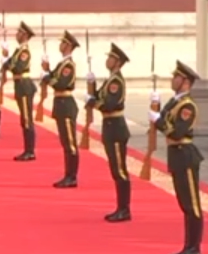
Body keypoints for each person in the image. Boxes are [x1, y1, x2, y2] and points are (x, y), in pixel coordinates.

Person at [156, 60, 204, 254]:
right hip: (176, 155)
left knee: (192, 205)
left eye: (176, 77)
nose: (172, 79)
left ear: (185, 81)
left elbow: (177, 132)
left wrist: (158, 121)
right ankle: (187, 246)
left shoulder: (187, 106)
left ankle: (194, 248)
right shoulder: (175, 101)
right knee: (184, 204)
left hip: (185, 154)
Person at [89, 43, 132, 222]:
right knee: (115, 170)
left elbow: (109, 104)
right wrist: (92, 85)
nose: (108, 60)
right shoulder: (110, 79)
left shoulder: (116, 81)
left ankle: (124, 209)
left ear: (117, 62)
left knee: (120, 170)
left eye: (111, 58)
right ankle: (121, 207)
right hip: (111, 127)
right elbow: (99, 96)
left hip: (115, 128)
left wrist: (94, 103)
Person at [42, 30, 82, 188]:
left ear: (68, 46)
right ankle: (68, 174)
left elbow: (60, 83)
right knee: (65, 143)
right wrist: (47, 69)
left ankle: (72, 176)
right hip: (60, 104)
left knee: (70, 143)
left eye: (63, 42)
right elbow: (55, 77)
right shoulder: (62, 63)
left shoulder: (68, 65)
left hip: (66, 104)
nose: (60, 44)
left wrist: (46, 76)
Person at [7, 22, 37, 161]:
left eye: (19, 32)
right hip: (19, 85)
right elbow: (8, 65)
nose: (16, 34)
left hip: (25, 86)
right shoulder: (19, 50)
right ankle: (27, 149)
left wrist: (9, 63)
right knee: (23, 119)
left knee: (26, 119)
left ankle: (30, 150)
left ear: (25, 35)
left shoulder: (24, 51)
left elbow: (17, 67)